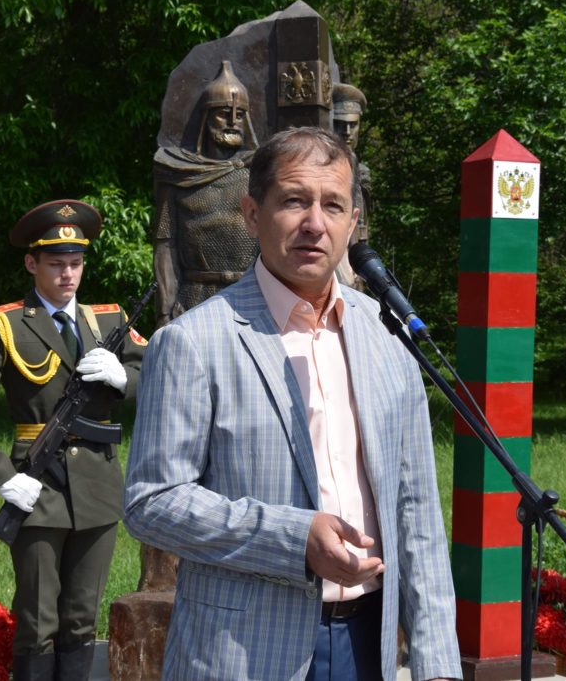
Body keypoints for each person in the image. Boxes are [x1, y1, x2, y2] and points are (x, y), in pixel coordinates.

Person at [124, 127, 461, 681]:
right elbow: (152, 502)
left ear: (353, 223)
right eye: (294, 201)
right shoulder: (193, 342)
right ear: (251, 214)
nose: (314, 223)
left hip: (367, 643)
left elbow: (416, 510)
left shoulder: (388, 337)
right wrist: (293, 539)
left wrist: (438, 665)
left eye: (333, 205)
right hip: (240, 653)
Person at [0, 199, 146, 681]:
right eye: (55, 263)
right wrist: (1, 476)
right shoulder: (6, 324)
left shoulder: (109, 321)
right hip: (37, 487)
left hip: (97, 487)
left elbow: (161, 373)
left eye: (75, 262)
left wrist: (124, 380)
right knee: (37, 621)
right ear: (32, 263)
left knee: (82, 619)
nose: (68, 274)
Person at [152, 60, 260, 325]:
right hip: (195, 298)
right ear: (206, 118)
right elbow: (165, 246)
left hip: (251, 294)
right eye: (223, 113)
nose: (232, 122)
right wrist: (164, 310)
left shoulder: (258, 176)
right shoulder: (179, 175)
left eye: (239, 115)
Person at [331, 82, 373, 290]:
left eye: (353, 125)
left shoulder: (361, 170)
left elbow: (364, 222)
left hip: (357, 261)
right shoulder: (324, 171)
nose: (347, 132)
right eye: (339, 124)